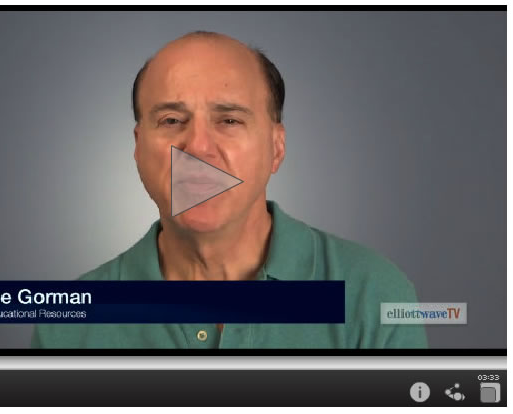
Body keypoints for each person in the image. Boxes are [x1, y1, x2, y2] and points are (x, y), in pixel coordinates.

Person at [32, 31, 427, 348]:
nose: (197, 147)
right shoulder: (69, 324)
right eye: (171, 120)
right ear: (138, 148)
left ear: (276, 148)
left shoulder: (373, 294)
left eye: (229, 121)